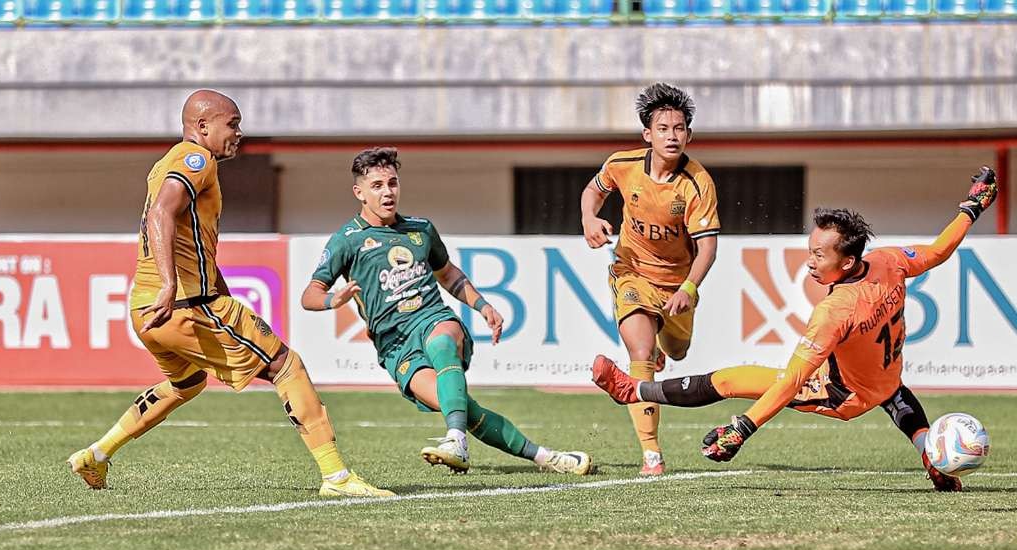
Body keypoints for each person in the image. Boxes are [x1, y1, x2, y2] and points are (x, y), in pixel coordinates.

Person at [67, 90, 392, 498]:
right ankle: (337, 477)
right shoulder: (195, 159)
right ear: (202, 127)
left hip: (146, 310)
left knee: (186, 383)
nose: (239, 132)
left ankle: (97, 454)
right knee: (285, 365)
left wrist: (215, 283)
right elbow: (161, 213)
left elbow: (186, 234)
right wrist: (172, 284)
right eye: (232, 124)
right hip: (183, 304)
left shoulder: (166, 163)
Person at [592, 167, 1000, 492]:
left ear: (845, 262)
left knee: (732, 378)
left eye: (818, 255)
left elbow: (792, 381)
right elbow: (939, 251)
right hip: (889, 380)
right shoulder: (888, 261)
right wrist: (970, 209)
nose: (809, 262)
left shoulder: (835, 312)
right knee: (893, 397)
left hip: (843, 395)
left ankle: (634, 390)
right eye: (809, 250)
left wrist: (742, 428)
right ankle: (933, 458)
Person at [301, 146, 593, 476]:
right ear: (359, 192)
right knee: (464, 409)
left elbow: (449, 274)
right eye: (377, 186)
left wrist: (482, 306)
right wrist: (334, 301)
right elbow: (309, 295)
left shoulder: (420, 229)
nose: (387, 192)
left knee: (442, 344)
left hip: (434, 319)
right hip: (396, 347)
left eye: (393, 183)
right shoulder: (347, 240)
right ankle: (546, 457)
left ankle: (455, 441)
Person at [580, 82, 720, 476]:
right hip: (632, 271)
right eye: (663, 128)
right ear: (648, 134)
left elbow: (707, 249)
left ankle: (664, 344)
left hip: (677, 285)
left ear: (689, 135)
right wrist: (589, 218)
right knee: (640, 357)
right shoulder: (623, 165)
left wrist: (689, 288)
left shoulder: (697, 183)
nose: (671, 136)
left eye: (679, 129)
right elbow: (592, 192)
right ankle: (651, 455)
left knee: (677, 352)